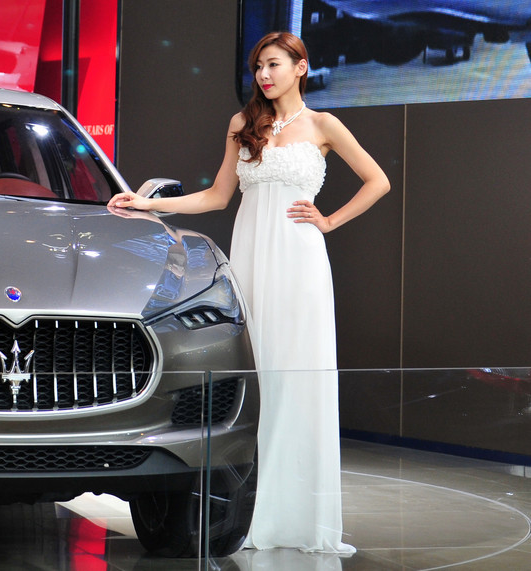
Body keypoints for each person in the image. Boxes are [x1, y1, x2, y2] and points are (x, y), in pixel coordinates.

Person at [108, 31, 390, 553]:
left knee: (297, 379)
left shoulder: (324, 125)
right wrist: (148, 205)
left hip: (301, 264)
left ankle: (298, 518)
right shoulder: (243, 124)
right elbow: (217, 196)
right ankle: (247, 515)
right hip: (251, 262)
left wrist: (329, 221)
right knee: (255, 379)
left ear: (301, 67)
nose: (264, 74)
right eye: (259, 65)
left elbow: (378, 181)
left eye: (274, 64)